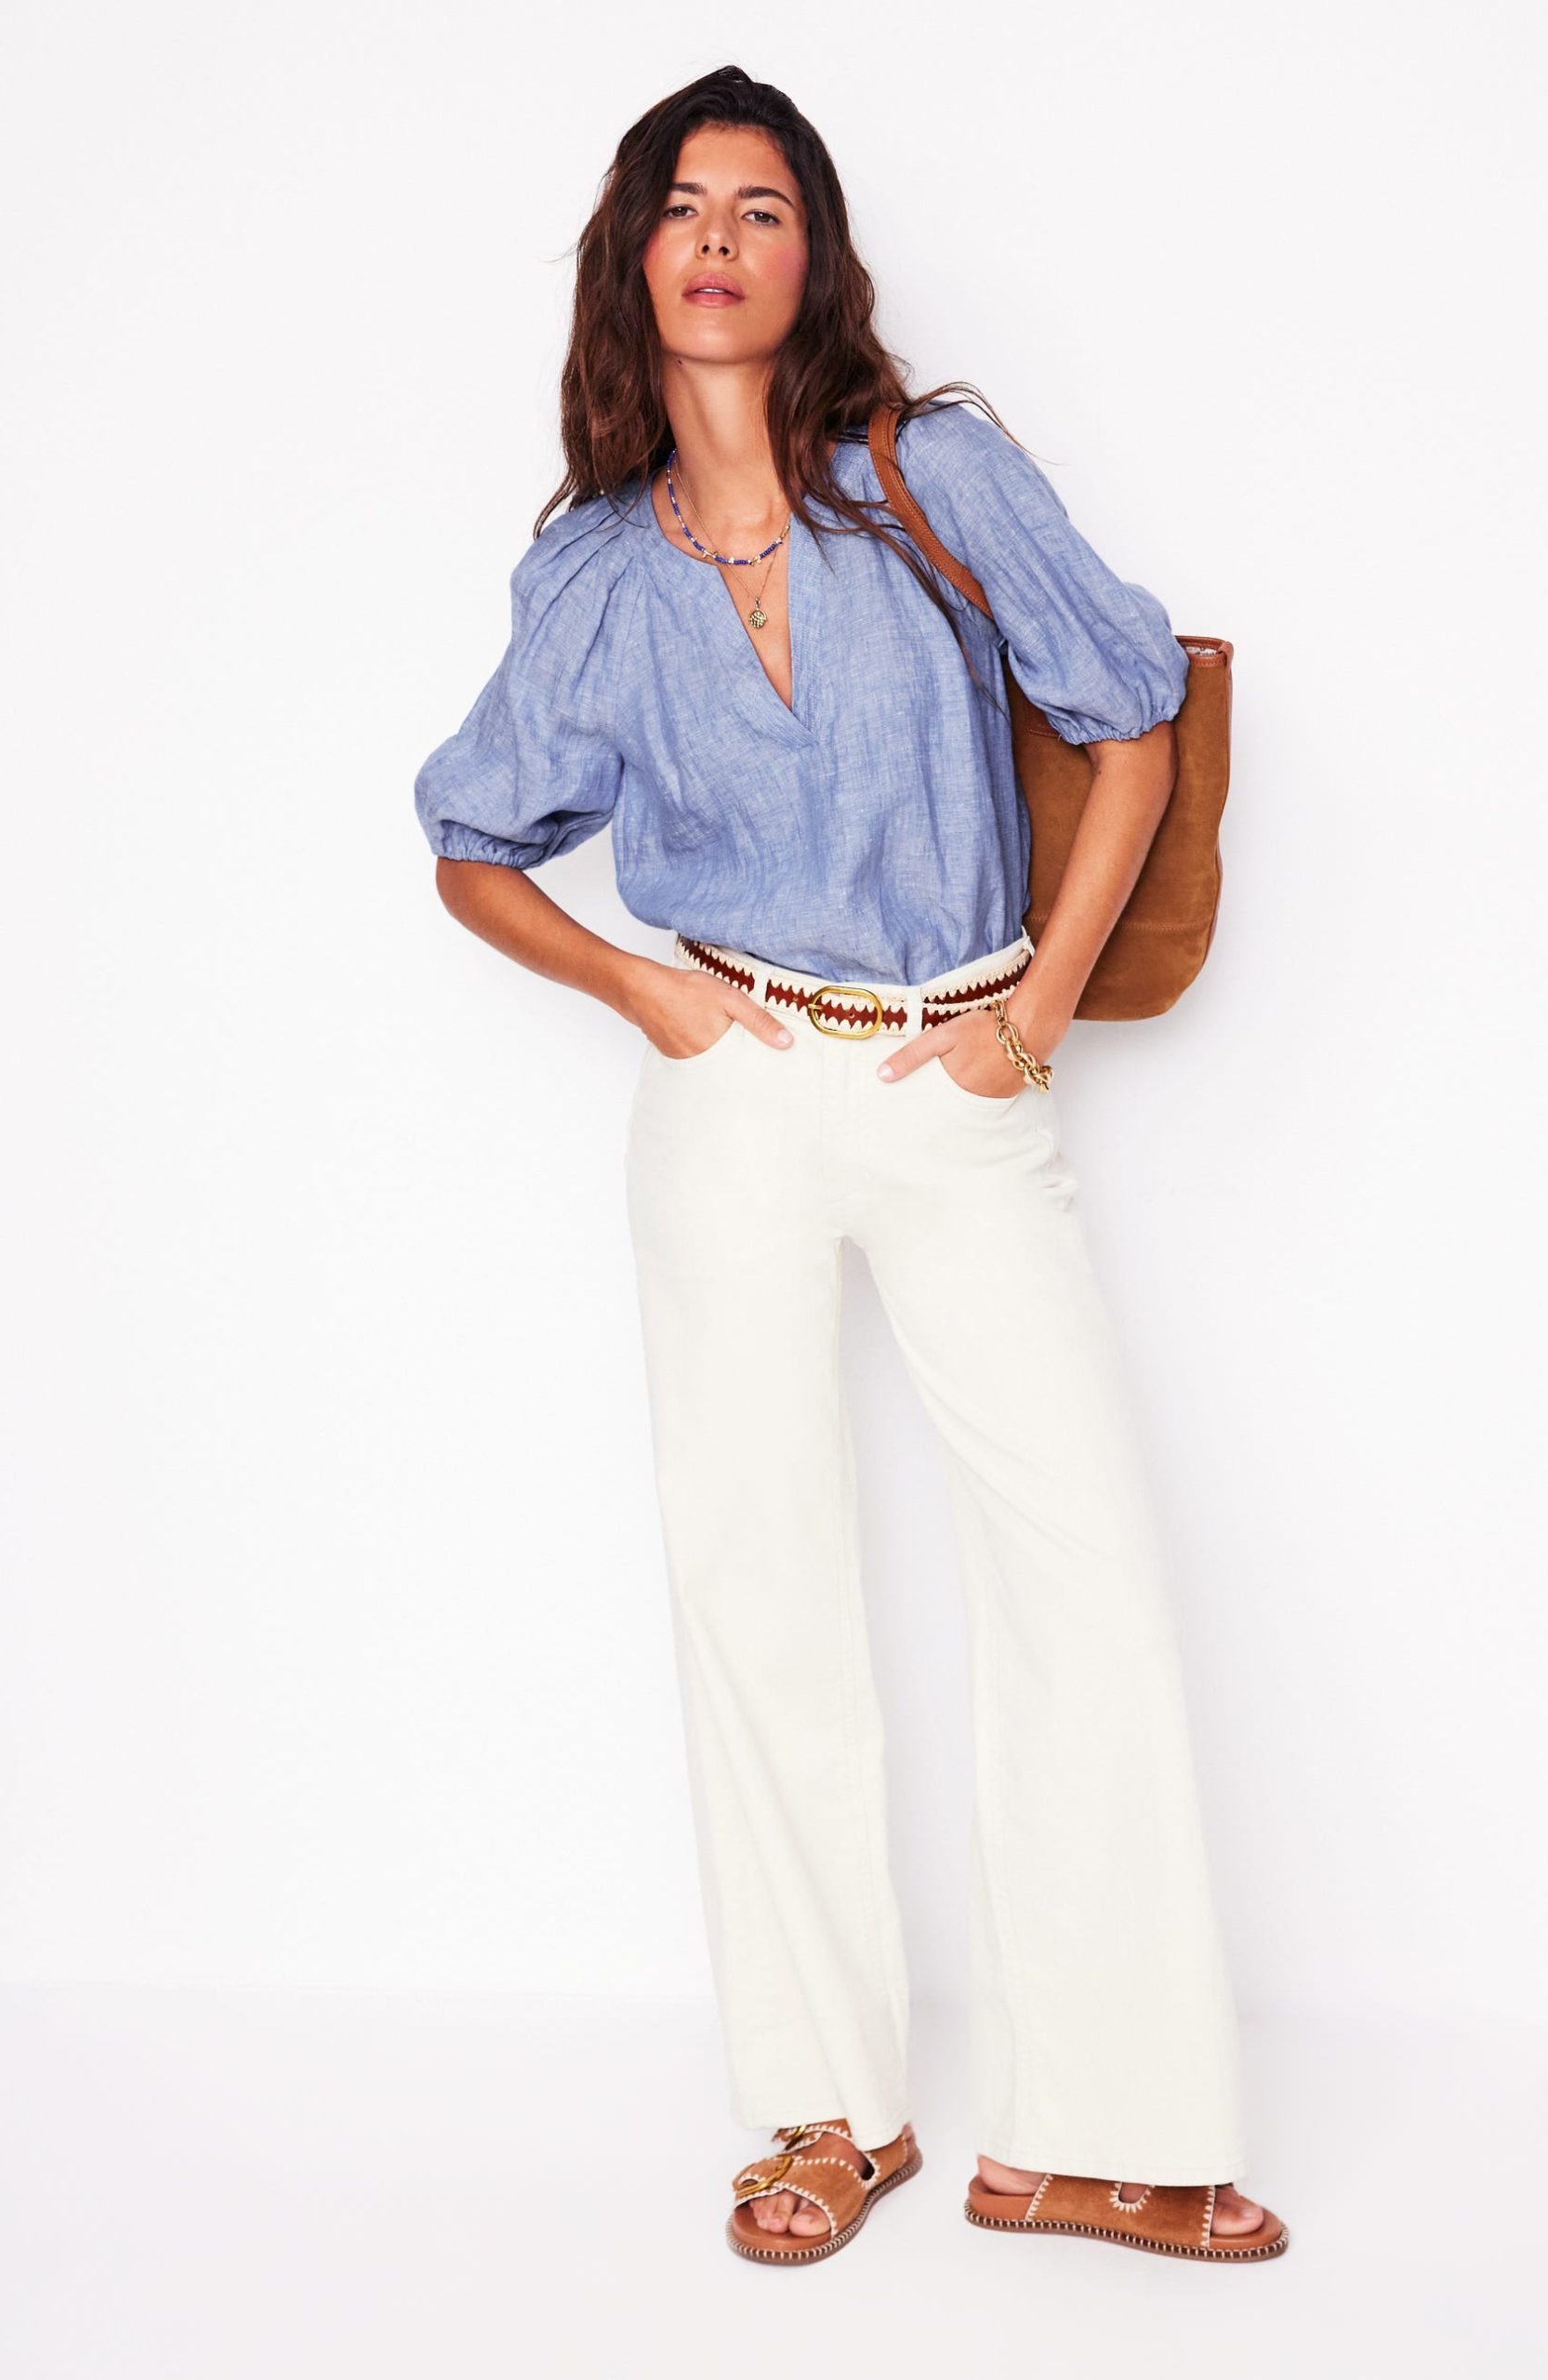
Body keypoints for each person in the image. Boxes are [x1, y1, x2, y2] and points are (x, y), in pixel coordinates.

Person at [413, 64, 1289, 2268]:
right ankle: (831, 2109)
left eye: (763, 206)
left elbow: (1128, 712)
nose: (720, 238)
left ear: (815, 258)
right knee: (761, 1581)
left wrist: (1033, 1011)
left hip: (957, 1073)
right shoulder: (596, 572)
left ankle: (1095, 2125)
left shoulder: (930, 472)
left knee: (1080, 1564)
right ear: (634, 259)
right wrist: (640, 988)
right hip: (733, 1080)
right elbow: (468, 841)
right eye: (682, 206)